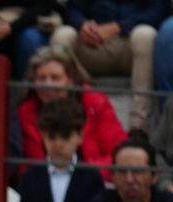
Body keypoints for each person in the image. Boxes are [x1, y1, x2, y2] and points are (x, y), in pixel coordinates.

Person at [50, 0, 165, 132]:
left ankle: (138, 127)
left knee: (146, 34)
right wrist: (82, 25)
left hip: (130, 44)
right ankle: (62, 120)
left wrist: (118, 27)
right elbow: (72, 9)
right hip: (92, 44)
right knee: (62, 35)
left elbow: (158, 12)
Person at [15, 47, 126, 172]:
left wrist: (81, 176)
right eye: (41, 78)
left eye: (55, 78)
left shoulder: (95, 104)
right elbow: (21, 166)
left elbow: (119, 155)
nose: (47, 84)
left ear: (71, 80)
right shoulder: (24, 113)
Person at [18, 96, 105, 202]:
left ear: (80, 136)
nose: (58, 144)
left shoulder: (92, 177)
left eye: (65, 137)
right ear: (42, 136)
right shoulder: (29, 178)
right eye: (52, 137)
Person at [75, 133, 173, 202]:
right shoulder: (106, 200)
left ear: (154, 176)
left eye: (137, 171)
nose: (129, 179)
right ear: (112, 177)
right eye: (122, 171)